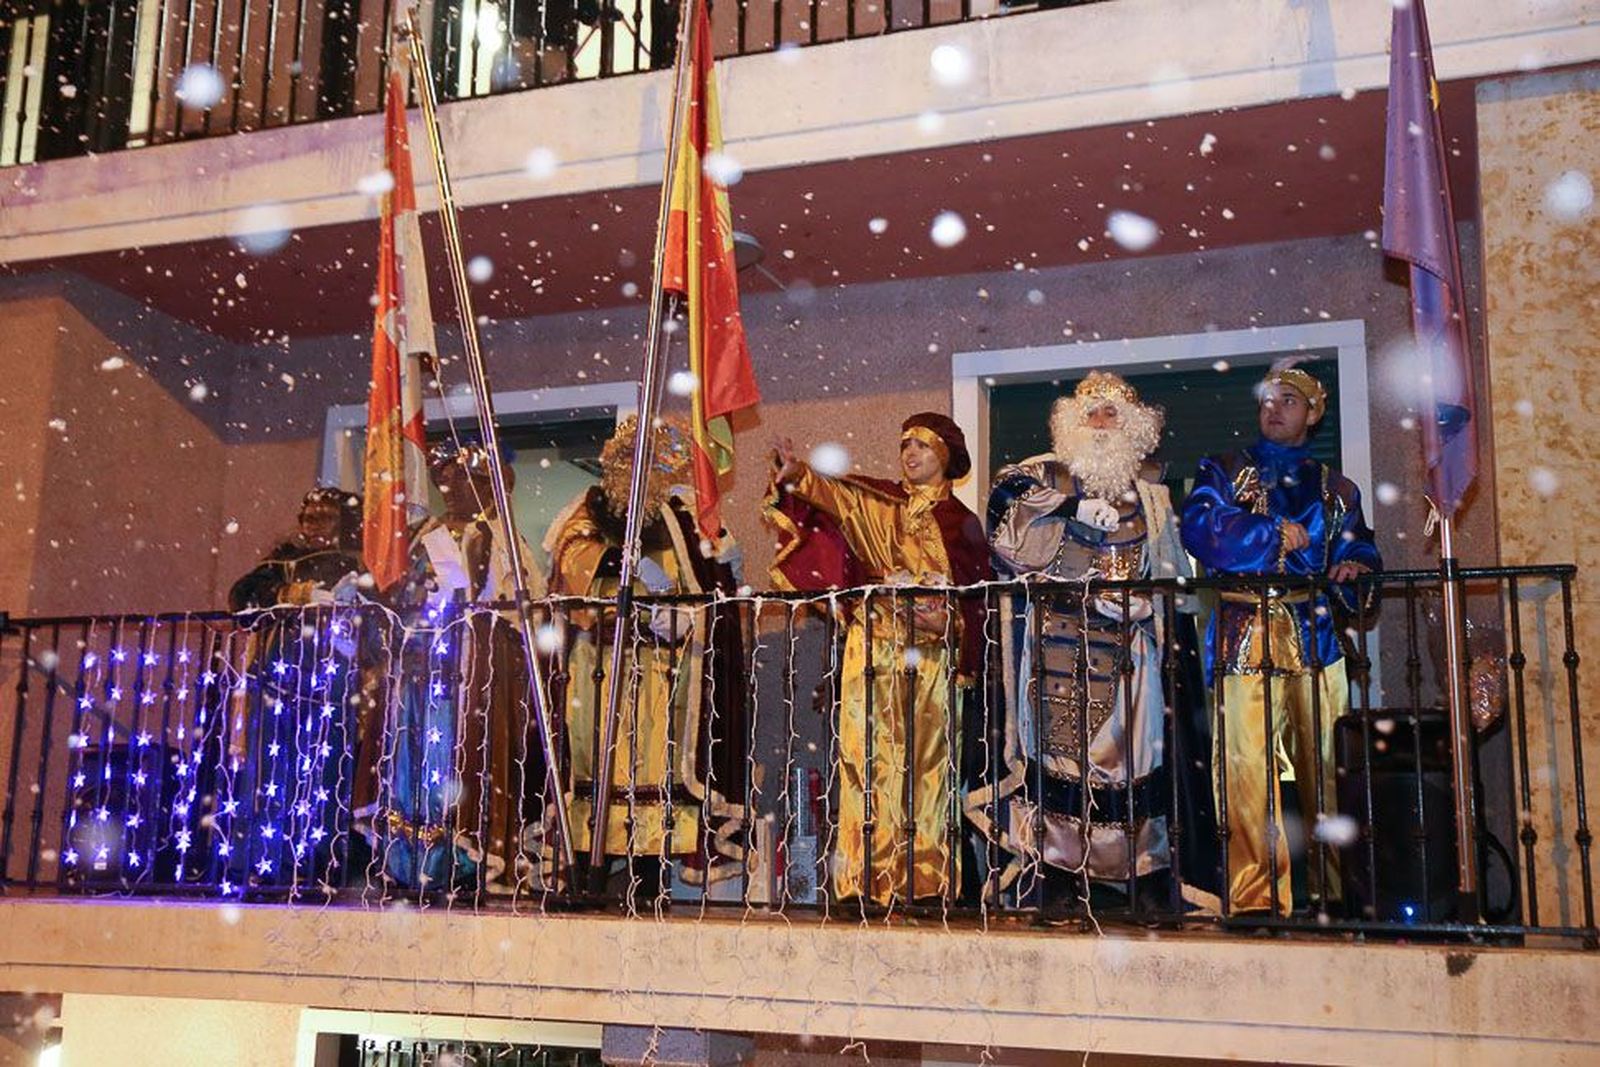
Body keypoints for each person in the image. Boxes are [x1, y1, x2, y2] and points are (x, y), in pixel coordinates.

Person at [980, 372, 1216, 915]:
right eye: (1092, 413)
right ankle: (1058, 875)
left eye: (1113, 414)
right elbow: (1002, 511)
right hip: (1057, 643)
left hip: (1129, 649)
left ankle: (1143, 872)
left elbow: (1171, 573)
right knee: (1058, 760)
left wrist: (1146, 604)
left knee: (1134, 759)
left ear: (1134, 427)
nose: (1102, 423)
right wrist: (1069, 508)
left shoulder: (1154, 493)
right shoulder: (1046, 474)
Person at [767, 413, 992, 907]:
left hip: (929, 660)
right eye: (905, 444)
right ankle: (863, 879)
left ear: (946, 456)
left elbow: (977, 603)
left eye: (922, 446)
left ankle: (925, 881)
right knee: (864, 763)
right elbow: (831, 494)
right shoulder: (878, 502)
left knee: (927, 769)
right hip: (871, 649)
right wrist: (796, 473)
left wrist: (948, 621)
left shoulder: (962, 523)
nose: (910, 453)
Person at [1180, 364, 1381, 916]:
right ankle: (1255, 898)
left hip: (1316, 636)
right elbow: (1200, 528)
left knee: (1330, 768)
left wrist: (1357, 568)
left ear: (1313, 414)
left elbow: (1358, 547)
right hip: (1244, 632)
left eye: (1288, 400)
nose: (1274, 408)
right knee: (1245, 768)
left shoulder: (1337, 489)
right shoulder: (1223, 469)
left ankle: (1338, 896)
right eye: (1268, 399)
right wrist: (1268, 534)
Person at [545, 416, 747, 898]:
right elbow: (571, 557)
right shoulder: (590, 510)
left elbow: (706, 584)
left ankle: (649, 875)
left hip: (662, 670)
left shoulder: (681, 517)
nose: (631, 471)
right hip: (601, 665)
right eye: (623, 460)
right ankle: (588, 869)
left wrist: (684, 614)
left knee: (658, 770)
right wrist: (625, 561)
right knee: (597, 764)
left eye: (643, 462)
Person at [359, 440, 547, 894]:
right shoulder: (422, 534)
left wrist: (469, 604)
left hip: (470, 677)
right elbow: (396, 593)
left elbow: (521, 610)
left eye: (465, 480)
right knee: (410, 764)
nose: (452, 488)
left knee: (461, 766)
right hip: (417, 672)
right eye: (446, 480)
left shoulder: (503, 539)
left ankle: (462, 862)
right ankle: (408, 861)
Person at [221, 487, 364, 892]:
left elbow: (375, 625)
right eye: (308, 517)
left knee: (325, 773)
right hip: (278, 681)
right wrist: (295, 595)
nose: (312, 525)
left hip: (331, 682)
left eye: (324, 517)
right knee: (272, 772)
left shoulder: (358, 563)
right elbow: (241, 598)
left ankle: (320, 861)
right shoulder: (282, 560)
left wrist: (349, 610)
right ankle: (266, 860)